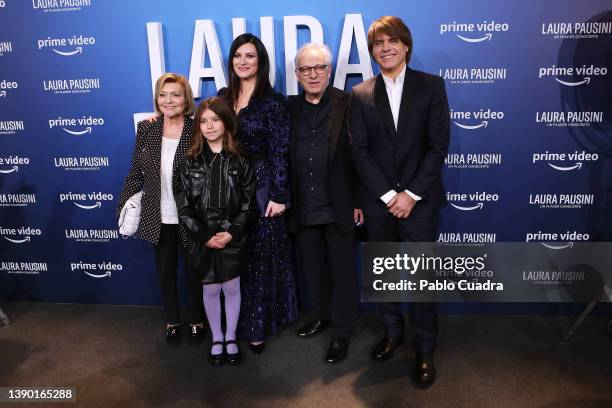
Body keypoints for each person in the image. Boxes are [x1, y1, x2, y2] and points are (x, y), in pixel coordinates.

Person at [349, 16, 450, 388]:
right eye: (378, 43)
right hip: (380, 203)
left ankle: (425, 347)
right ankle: (393, 332)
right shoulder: (360, 94)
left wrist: (410, 195)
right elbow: (358, 151)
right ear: (372, 51)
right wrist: (391, 196)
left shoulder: (431, 87)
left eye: (393, 41)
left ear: (406, 45)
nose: (385, 48)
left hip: (419, 203)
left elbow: (438, 146)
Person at [220, 33, 298, 354]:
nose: (243, 61)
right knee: (234, 257)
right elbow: (202, 129)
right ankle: (234, 322)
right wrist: (160, 118)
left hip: (264, 186)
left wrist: (279, 195)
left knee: (261, 258)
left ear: (261, 62)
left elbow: (280, 150)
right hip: (228, 189)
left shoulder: (273, 102)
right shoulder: (223, 98)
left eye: (250, 56)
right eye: (238, 55)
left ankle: (257, 325)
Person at [287, 43, 363, 364]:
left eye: (319, 68)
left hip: (339, 204)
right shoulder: (287, 108)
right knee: (313, 270)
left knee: (343, 274)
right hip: (303, 207)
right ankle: (319, 316)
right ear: (297, 74)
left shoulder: (350, 103)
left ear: (329, 71)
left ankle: (342, 333)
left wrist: (359, 200)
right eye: (306, 69)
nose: (313, 74)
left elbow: (363, 153)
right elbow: (242, 105)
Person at [117, 73, 205, 344]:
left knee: (194, 273)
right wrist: (124, 203)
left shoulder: (197, 129)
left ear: (186, 99)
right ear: (157, 99)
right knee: (166, 273)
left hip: (190, 216)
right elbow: (136, 172)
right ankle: (172, 320)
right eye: (163, 95)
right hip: (158, 215)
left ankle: (196, 320)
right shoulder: (147, 129)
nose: (169, 100)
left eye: (176, 94)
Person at [175, 96, 256, 366]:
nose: (209, 126)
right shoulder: (189, 161)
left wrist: (232, 232)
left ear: (226, 122)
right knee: (210, 290)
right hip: (203, 238)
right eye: (203, 121)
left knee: (231, 288)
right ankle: (217, 338)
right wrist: (203, 235)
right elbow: (183, 205)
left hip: (232, 236)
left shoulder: (240, 159)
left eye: (215, 120)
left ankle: (231, 337)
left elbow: (248, 203)